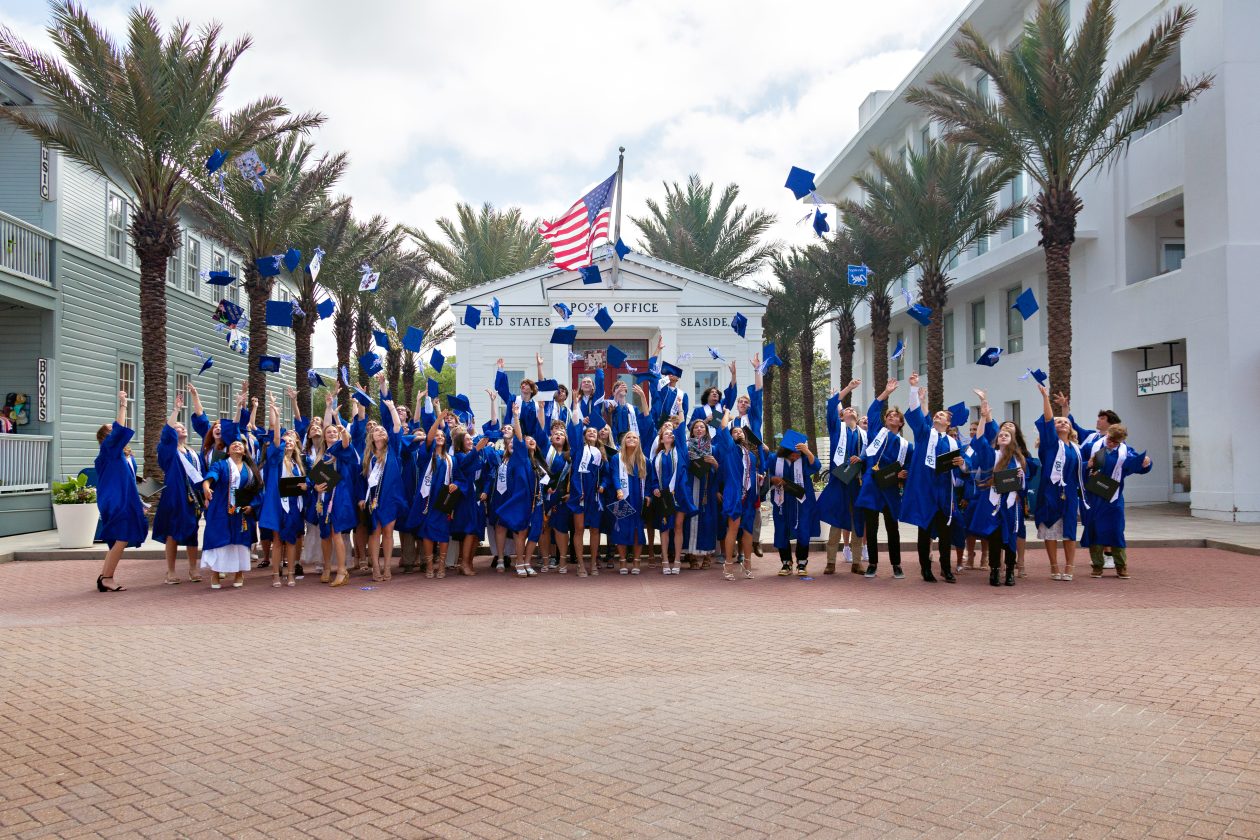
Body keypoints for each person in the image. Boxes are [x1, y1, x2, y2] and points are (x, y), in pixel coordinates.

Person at [899, 372, 961, 583]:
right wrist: (914, 389)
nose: (937, 416)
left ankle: (946, 568)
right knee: (924, 531)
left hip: (943, 491)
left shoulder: (954, 443)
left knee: (945, 533)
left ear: (949, 422)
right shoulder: (925, 433)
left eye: (942, 416)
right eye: (936, 415)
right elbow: (916, 414)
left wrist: (963, 464)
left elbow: (962, 467)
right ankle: (926, 569)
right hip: (925, 490)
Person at [855, 379, 911, 580]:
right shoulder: (876, 433)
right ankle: (872, 564)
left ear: (901, 423)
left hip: (891, 488)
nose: (891, 417)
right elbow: (871, 412)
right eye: (889, 415)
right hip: (872, 486)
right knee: (871, 528)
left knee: (892, 528)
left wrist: (905, 474)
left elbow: (909, 468)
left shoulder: (906, 445)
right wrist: (885, 392)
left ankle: (896, 564)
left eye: (895, 416)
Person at [967, 398, 1026, 586]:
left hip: (1010, 503)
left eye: (1007, 435)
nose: (1003, 436)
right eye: (1000, 435)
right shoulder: (990, 455)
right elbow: (978, 440)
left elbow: (1023, 482)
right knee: (994, 536)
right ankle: (994, 570)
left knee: (1010, 537)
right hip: (992, 502)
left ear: (1012, 440)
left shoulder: (1018, 460)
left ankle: (1010, 571)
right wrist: (983, 418)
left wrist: (1020, 476)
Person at [1081, 424, 1151, 579]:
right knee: (1094, 529)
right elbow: (1076, 465)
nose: (1111, 443)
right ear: (1107, 434)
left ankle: (1121, 565)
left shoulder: (1126, 451)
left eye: (1116, 442)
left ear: (1122, 441)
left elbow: (1139, 466)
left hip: (1113, 496)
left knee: (1116, 529)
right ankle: (1097, 565)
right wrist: (1088, 465)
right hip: (1094, 495)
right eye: (1110, 439)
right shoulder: (1091, 447)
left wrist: (1147, 463)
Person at [94, 390, 147, 592]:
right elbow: (119, 430)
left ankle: (105, 577)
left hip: (127, 499)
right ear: (105, 438)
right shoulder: (107, 452)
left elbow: (130, 481)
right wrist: (123, 405)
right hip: (115, 500)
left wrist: (140, 503)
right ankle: (106, 578)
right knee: (121, 538)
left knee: (119, 539)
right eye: (111, 430)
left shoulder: (127, 457)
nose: (116, 430)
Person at [199, 428, 262, 589]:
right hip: (221, 509)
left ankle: (239, 574)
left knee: (240, 543)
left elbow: (257, 490)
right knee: (219, 541)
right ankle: (215, 574)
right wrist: (206, 487)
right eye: (233, 444)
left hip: (241, 512)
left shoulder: (250, 469)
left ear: (244, 450)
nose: (236, 446)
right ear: (228, 450)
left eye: (239, 444)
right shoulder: (221, 464)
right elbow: (211, 476)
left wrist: (252, 506)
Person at [152, 391, 204, 585]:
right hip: (175, 497)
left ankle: (192, 568)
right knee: (172, 532)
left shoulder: (193, 453)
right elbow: (166, 436)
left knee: (192, 531)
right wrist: (176, 411)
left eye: (183, 426)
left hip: (193, 498)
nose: (182, 428)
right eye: (178, 427)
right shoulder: (168, 452)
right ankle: (171, 571)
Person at [1034, 382, 1084, 581]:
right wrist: (1046, 398)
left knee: (1069, 530)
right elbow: (1047, 420)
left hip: (1070, 493)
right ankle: (1054, 566)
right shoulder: (1049, 445)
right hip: (1050, 492)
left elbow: (1081, 468)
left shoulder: (1076, 449)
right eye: (1058, 422)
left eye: (1065, 421)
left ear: (1071, 427)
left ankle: (1069, 566)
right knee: (1050, 529)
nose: (1062, 423)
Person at [259, 394, 308, 587]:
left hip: (294, 504)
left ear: (296, 443)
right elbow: (277, 440)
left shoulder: (298, 464)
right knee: (278, 541)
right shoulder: (275, 460)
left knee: (292, 540)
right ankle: (276, 575)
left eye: (291, 440)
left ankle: (290, 574)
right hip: (278, 503)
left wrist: (306, 486)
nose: (287, 442)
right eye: (285, 440)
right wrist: (277, 417)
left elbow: (304, 482)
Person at [362, 374, 406, 582]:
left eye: (382, 430)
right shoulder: (369, 457)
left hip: (391, 497)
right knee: (374, 532)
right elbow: (367, 481)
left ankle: (387, 567)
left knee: (388, 532)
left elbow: (396, 426)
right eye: (376, 431)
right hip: (374, 499)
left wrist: (391, 408)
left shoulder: (394, 449)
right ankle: (375, 568)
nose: (380, 432)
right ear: (372, 437)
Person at [818, 380, 864, 574]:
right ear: (841, 415)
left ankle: (856, 562)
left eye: (853, 409)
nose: (850, 410)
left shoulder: (864, 435)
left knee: (857, 522)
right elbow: (831, 405)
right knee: (837, 521)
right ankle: (830, 561)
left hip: (857, 483)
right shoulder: (837, 429)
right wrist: (849, 389)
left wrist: (861, 458)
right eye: (847, 409)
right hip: (840, 481)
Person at [312, 399, 356, 587]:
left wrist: (341, 428)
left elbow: (346, 441)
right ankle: (327, 568)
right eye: (328, 432)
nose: (331, 433)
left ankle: (342, 570)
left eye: (334, 432)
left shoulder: (342, 450)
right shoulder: (321, 454)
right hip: (323, 498)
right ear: (324, 437)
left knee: (336, 531)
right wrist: (314, 487)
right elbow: (312, 476)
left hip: (339, 495)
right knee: (325, 533)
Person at [712, 410, 759, 581]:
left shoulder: (751, 455)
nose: (738, 432)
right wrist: (726, 413)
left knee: (747, 531)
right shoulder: (729, 448)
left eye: (740, 431)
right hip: (734, 492)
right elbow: (723, 425)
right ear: (730, 437)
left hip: (749, 494)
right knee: (733, 527)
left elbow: (750, 472)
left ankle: (747, 563)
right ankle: (729, 563)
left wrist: (758, 477)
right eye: (735, 431)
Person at [768, 430, 821, 576]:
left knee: (803, 529)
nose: (796, 456)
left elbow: (816, 466)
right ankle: (786, 562)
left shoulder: (804, 458)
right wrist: (773, 479)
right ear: (784, 451)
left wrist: (806, 451)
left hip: (802, 501)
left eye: (798, 453)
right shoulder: (774, 459)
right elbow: (767, 474)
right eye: (792, 453)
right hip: (782, 502)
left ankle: (802, 563)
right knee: (781, 529)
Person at [647, 422, 693, 575]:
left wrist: (680, 408)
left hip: (678, 494)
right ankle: (665, 559)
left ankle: (678, 559)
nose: (670, 434)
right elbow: (653, 478)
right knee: (665, 528)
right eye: (667, 433)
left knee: (678, 527)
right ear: (661, 439)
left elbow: (680, 429)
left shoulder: (679, 451)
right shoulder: (657, 458)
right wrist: (654, 489)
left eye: (672, 434)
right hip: (663, 497)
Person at [606, 430, 648, 574]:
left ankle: (636, 561)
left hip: (638, 500)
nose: (631, 439)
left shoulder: (644, 460)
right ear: (624, 441)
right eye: (628, 437)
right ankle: (622, 561)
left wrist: (648, 496)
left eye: (634, 437)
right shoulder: (616, 459)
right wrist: (618, 489)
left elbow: (650, 481)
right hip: (622, 497)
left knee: (638, 530)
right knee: (620, 529)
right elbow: (615, 476)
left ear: (638, 441)